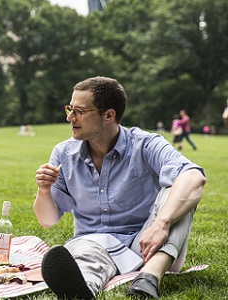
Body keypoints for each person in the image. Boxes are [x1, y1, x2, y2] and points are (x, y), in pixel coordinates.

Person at [34, 76, 205, 299]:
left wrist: (161, 224)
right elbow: (48, 220)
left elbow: (194, 177)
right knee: (86, 257)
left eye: (79, 111)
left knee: (180, 189)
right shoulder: (63, 153)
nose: (69, 117)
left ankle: (149, 278)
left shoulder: (144, 144)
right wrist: (44, 190)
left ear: (108, 115)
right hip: (92, 244)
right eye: (69, 108)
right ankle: (82, 290)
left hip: (149, 245)